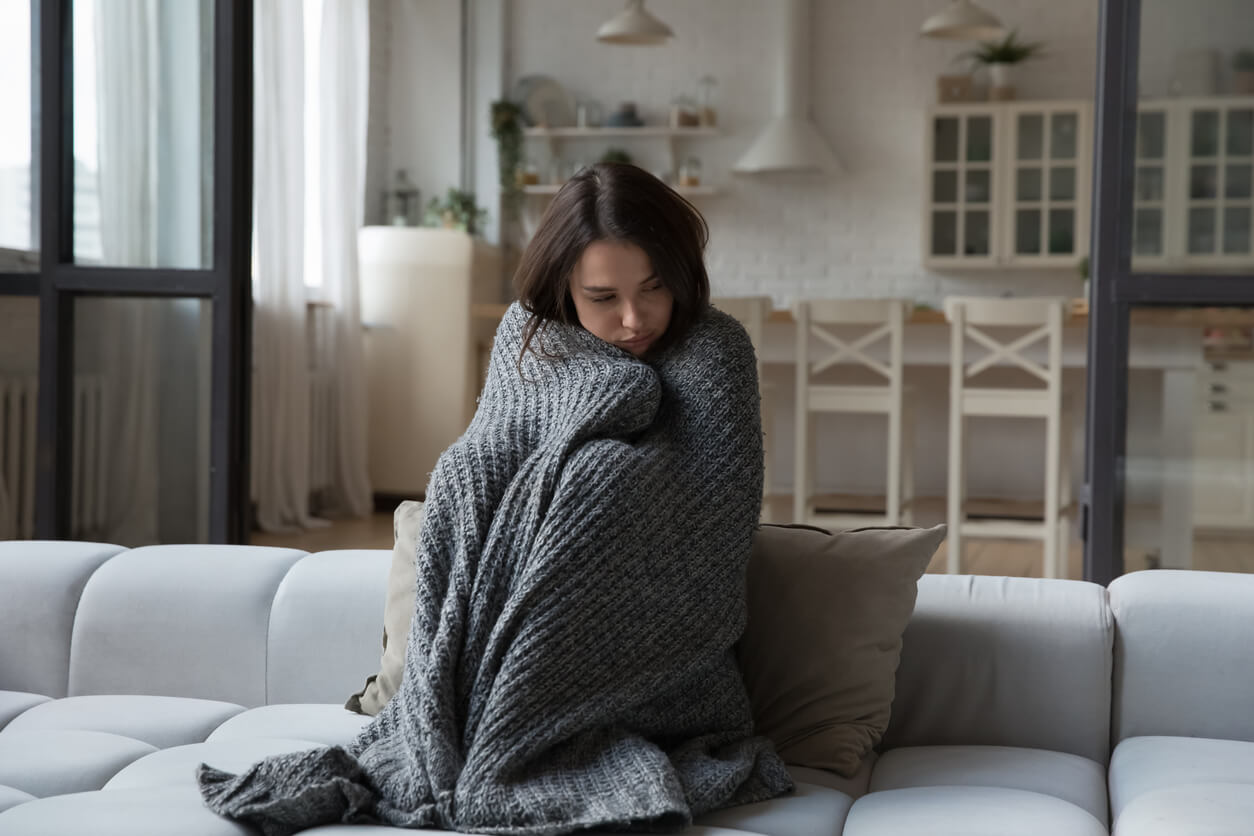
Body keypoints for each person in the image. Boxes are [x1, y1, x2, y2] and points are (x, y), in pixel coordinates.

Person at [198, 163, 792, 835]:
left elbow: (712, 520)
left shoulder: (715, 351)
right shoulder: (528, 336)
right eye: (603, 297)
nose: (634, 318)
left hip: (661, 676)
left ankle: (527, 717)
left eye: (654, 288)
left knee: (604, 481)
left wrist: (602, 472)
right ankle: (492, 710)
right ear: (563, 286)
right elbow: (488, 461)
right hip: (499, 651)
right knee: (463, 474)